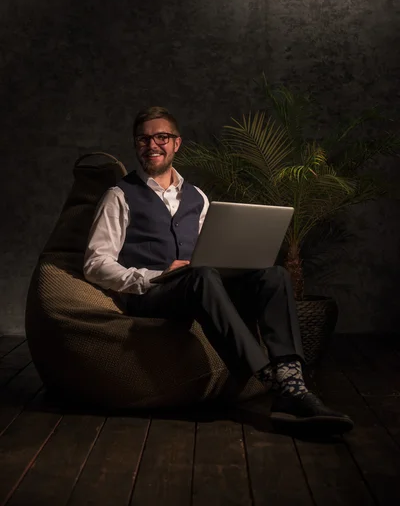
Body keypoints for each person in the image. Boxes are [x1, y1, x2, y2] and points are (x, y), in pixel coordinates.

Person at [83, 106, 354, 435]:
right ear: (136, 145)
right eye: (143, 139)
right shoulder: (119, 196)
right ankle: (272, 380)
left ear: (176, 143)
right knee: (202, 275)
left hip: (201, 286)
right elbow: (95, 264)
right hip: (151, 293)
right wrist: (152, 275)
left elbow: (211, 251)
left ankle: (291, 376)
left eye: (161, 137)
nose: (152, 145)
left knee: (273, 274)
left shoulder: (198, 196)